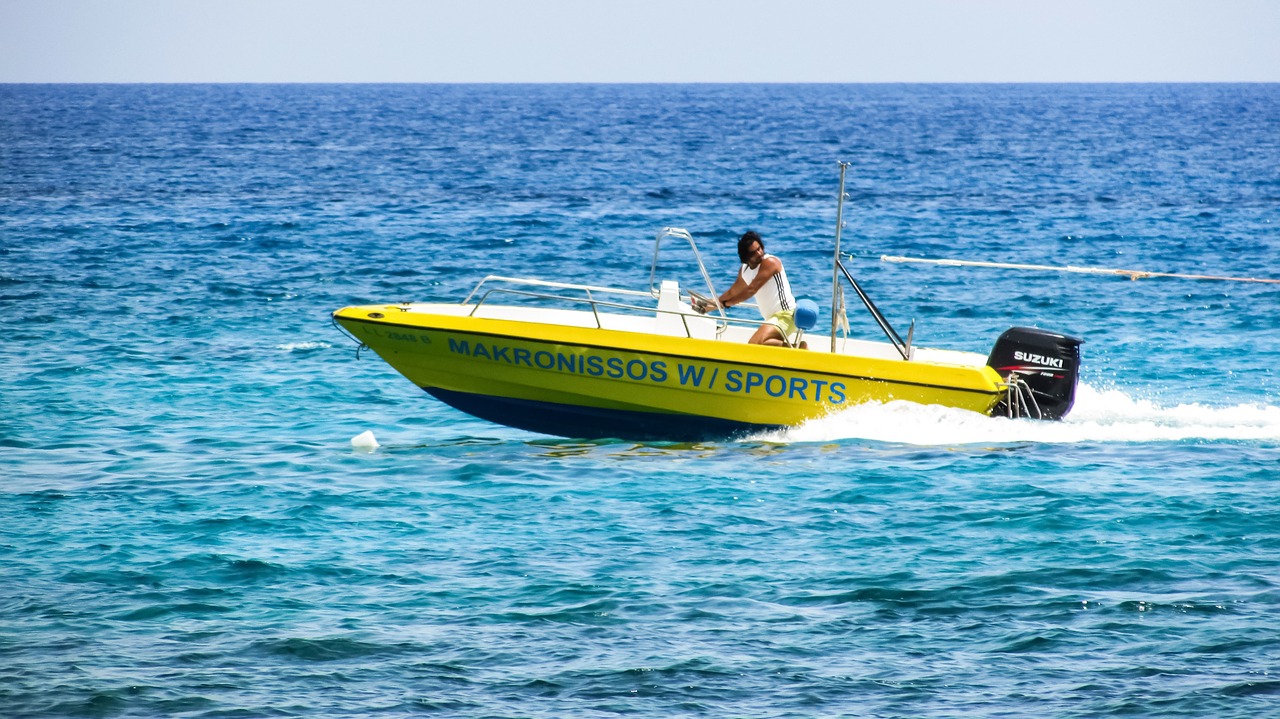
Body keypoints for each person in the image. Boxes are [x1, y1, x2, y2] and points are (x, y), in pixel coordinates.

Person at [692, 231, 805, 348]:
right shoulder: (745, 270)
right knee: (762, 344)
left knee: (754, 344)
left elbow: (751, 290)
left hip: (786, 315)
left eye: (759, 248)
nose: (759, 253)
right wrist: (710, 304)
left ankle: (799, 349)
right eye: (754, 252)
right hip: (773, 318)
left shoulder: (770, 262)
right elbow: (732, 292)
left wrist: (727, 303)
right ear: (746, 256)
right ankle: (797, 348)